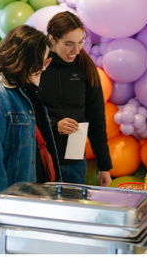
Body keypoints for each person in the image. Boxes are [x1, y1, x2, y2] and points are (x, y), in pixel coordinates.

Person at [0, 24, 61, 219]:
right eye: (41, 62)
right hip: (8, 213)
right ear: (25, 59)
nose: (43, 68)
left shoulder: (24, 92)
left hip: (27, 204)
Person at [39, 11, 113, 186]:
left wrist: (104, 166)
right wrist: (54, 125)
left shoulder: (86, 68)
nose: (76, 50)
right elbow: (25, 112)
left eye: (80, 43)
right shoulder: (37, 67)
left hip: (74, 158)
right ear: (52, 39)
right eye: (69, 44)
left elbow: (97, 119)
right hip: (40, 158)